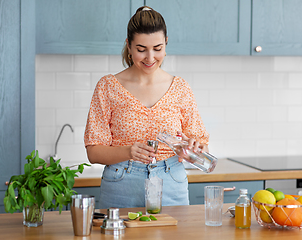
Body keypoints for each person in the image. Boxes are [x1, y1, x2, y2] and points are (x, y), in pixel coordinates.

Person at [84, 6, 209, 209]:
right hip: (121, 183)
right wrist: (128, 152)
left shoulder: (180, 88)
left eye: (157, 49)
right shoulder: (108, 86)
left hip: (171, 183)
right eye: (141, 49)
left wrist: (195, 149)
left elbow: (201, 148)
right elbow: (93, 152)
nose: (150, 58)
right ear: (129, 46)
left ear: (166, 44)